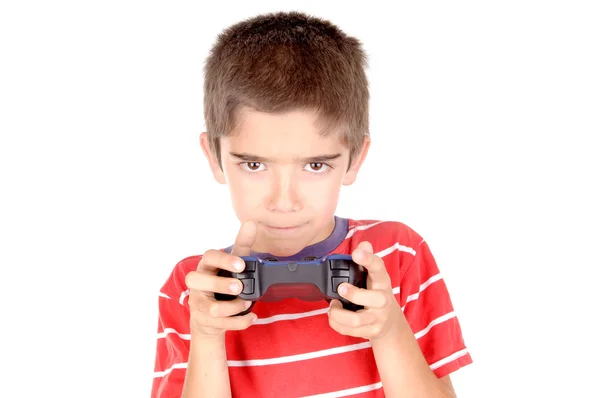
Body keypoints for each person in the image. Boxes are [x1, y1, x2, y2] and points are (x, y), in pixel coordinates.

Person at [151, 10, 472, 398]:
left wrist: (388, 330)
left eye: (315, 165)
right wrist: (206, 335)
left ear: (354, 158)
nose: (284, 201)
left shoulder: (397, 255)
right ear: (214, 157)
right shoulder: (194, 289)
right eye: (254, 164)